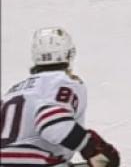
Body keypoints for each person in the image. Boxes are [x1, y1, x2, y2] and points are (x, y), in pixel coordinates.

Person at [0, 27, 120, 166]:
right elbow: (52, 123)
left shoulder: (13, 90)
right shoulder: (64, 82)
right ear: (69, 54)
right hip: (32, 160)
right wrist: (91, 148)